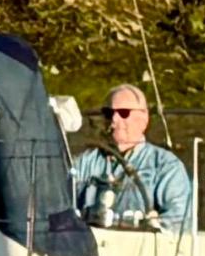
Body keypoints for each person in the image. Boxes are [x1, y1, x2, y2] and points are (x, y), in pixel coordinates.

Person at [71, 80, 194, 231]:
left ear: (144, 119)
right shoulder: (84, 163)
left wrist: (147, 227)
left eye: (124, 113)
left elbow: (179, 221)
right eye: (109, 113)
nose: (115, 120)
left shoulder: (165, 166)